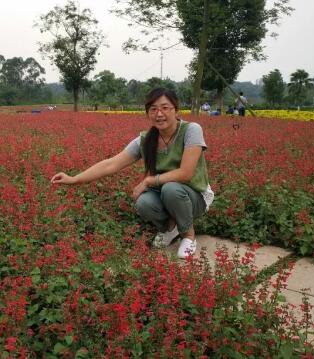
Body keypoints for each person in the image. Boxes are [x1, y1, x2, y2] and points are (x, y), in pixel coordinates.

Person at [51, 88, 214, 259]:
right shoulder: (146, 140)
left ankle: (188, 235)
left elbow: (186, 173)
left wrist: (149, 181)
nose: (159, 114)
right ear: (147, 114)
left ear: (176, 109)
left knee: (171, 189)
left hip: (193, 197)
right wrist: (74, 179)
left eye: (165, 108)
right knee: (143, 202)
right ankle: (169, 229)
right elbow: (111, 164)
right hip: (167, 194)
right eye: (153, 109)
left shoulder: (191, 130)